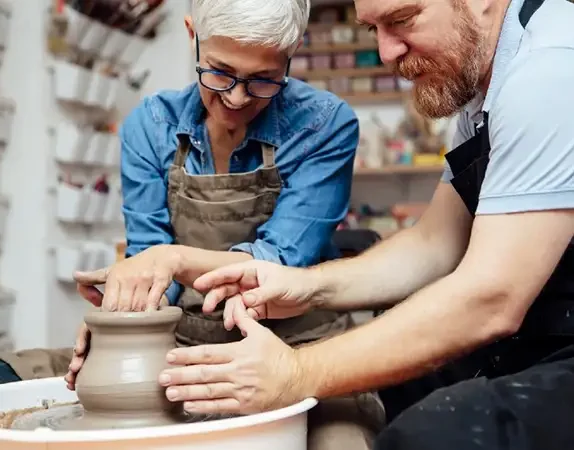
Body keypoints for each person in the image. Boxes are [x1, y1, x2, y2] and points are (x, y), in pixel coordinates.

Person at [135, 0, 573, 448]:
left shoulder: (550, 69)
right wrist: (307, 285)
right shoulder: (484, 84)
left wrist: (295, 373)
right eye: (373, 30)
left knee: (432, 433)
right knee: (403, 379)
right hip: (540, 327)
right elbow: (434, 244)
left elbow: (492, 298)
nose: (386, 52)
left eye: (403, 20)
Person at [0, 0, 387, 447]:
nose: (237, 98)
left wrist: (172, 259)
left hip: (298, 347)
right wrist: (119, 313)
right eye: (219, 72)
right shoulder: (151, 124)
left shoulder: (324, 124)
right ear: (192, 35)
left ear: (292, 51)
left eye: (262, 79)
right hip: (181, 346)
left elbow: (277, 261)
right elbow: (150, 259)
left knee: (341, 441)